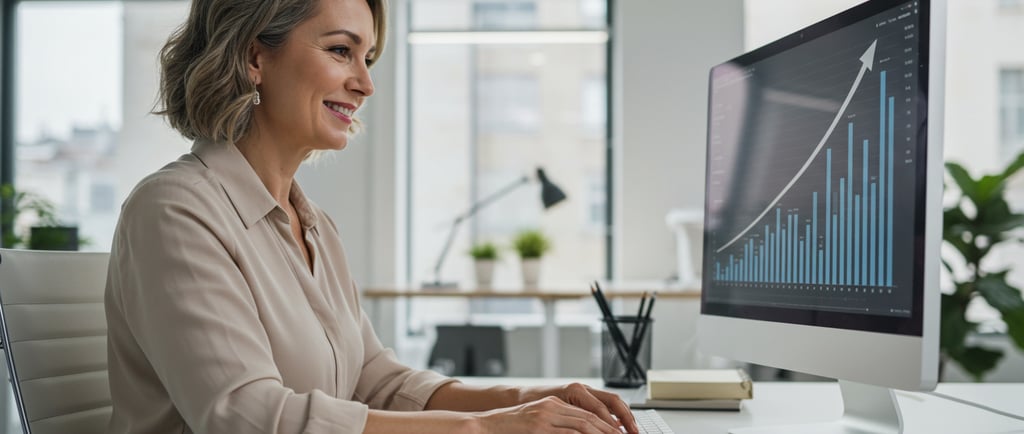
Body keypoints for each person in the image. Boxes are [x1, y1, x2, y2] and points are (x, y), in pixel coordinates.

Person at [103, 0, 640, 433]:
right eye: (341, 51)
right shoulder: (174, 210)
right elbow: (247, 417)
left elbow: (374, 379)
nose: (365, 84)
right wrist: (487, 427)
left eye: (369, 59)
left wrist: (533, 397)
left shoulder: (312, 224)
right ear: (254, 58)